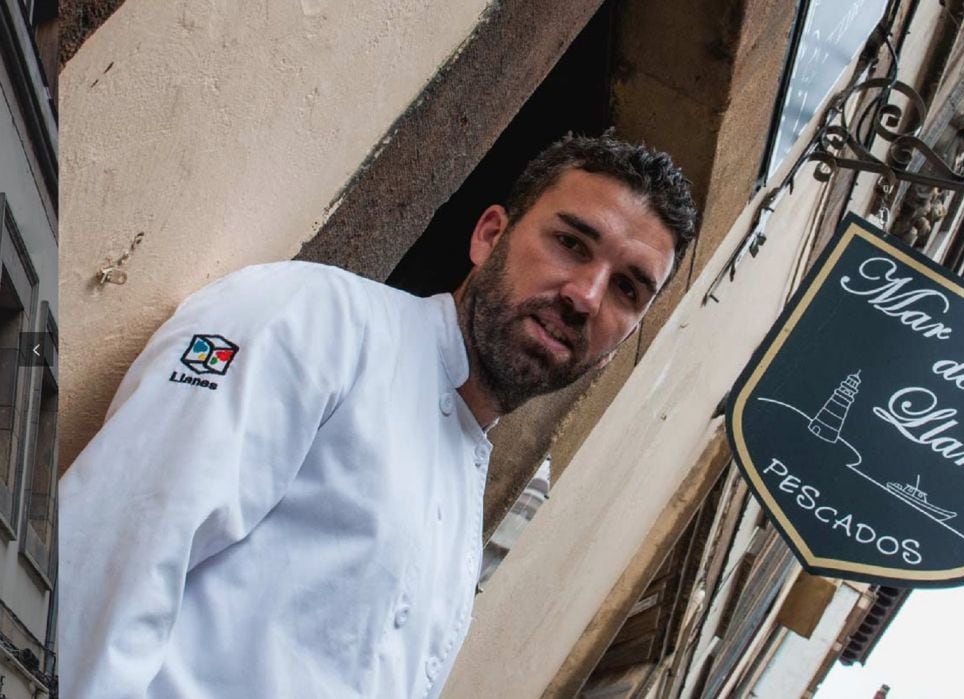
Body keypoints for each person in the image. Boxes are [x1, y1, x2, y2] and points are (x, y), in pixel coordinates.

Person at [59, 133, 698, 698]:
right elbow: (112, 551)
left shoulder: (466, 492)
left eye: (627, 289)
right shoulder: (316, 317)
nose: (586, 297)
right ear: (490, 234)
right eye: (570, 243)